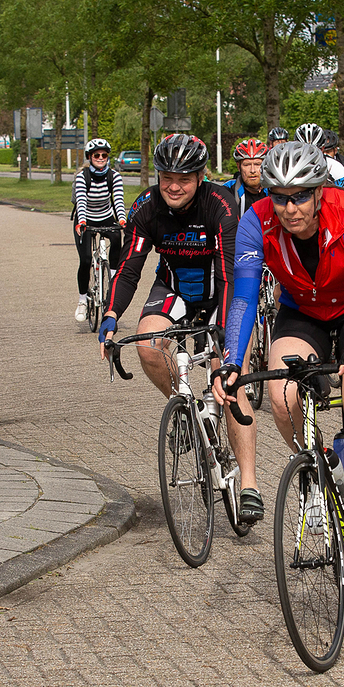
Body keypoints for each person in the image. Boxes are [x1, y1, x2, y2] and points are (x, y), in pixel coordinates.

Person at [214, 142, 344, 587]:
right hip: (304, 311)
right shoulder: (256, 221)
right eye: (279, 197)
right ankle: (320, 467)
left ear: (319, 191)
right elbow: (244, 299)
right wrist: (231, 362)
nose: (289, 209)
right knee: (281, 395)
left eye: (300, 197)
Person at [99, 134, 263, 522]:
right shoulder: (146, 206)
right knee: (147, 345)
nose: (174, 186)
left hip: (221, 291)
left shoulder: (220, 203)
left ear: (200, 177)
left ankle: (249, 484)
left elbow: (229, 275)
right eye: (167, 177)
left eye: (184, 179)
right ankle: (186, 408)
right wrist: (110, 317)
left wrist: (227, 339)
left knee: (231, 381)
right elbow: (128, 269)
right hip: (174, 288)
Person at [72, 138, 127, 323]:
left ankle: (112, 278)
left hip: (106, 216)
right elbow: (81, 201)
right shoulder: (82, 177)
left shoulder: (114, 176)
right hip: (85, 218)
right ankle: (82, 300)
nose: (101, 158)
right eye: (97, 155)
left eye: (104, 155)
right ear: (90, 157)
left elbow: (118, 200)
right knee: (86, 259)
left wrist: (122, 219)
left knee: (117, 239)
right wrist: (81, 221)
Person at [295, 123, 344, 191]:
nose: (309, 155)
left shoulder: (334, 166)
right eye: (304, 151)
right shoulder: (288, 166)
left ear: (322, 149)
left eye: (314, 151)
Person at [223, 137, 268, 216]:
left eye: (257, 164)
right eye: (247, 165)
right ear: (239, 167)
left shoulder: (274, 190)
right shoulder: (227, 190)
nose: (252, 170)